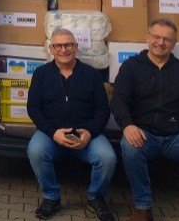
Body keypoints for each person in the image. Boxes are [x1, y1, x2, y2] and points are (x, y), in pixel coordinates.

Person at [111, 18, 179, 221]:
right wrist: (128, 125)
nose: (160, 42)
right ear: (147, 38)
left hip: (176, 137)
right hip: (144, 135)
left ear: (174, 43)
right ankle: (143, 208)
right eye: (156, 37)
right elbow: (118, 101)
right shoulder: (131, 67)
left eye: (167, 39)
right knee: (130, 146)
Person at [26, 28, 117, 221]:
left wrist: (89, 132)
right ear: (51, 49)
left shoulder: (92, 75)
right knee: (36, 150)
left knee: (107, 157)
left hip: (86, 133)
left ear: (75, 47)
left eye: (68, 45)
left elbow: (103, 110)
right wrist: (53, 133)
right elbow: (33, 109)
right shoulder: (41, 74)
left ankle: (96, 197)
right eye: (58, 45)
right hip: (52, 133)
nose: (63, 49)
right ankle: (51, 197)